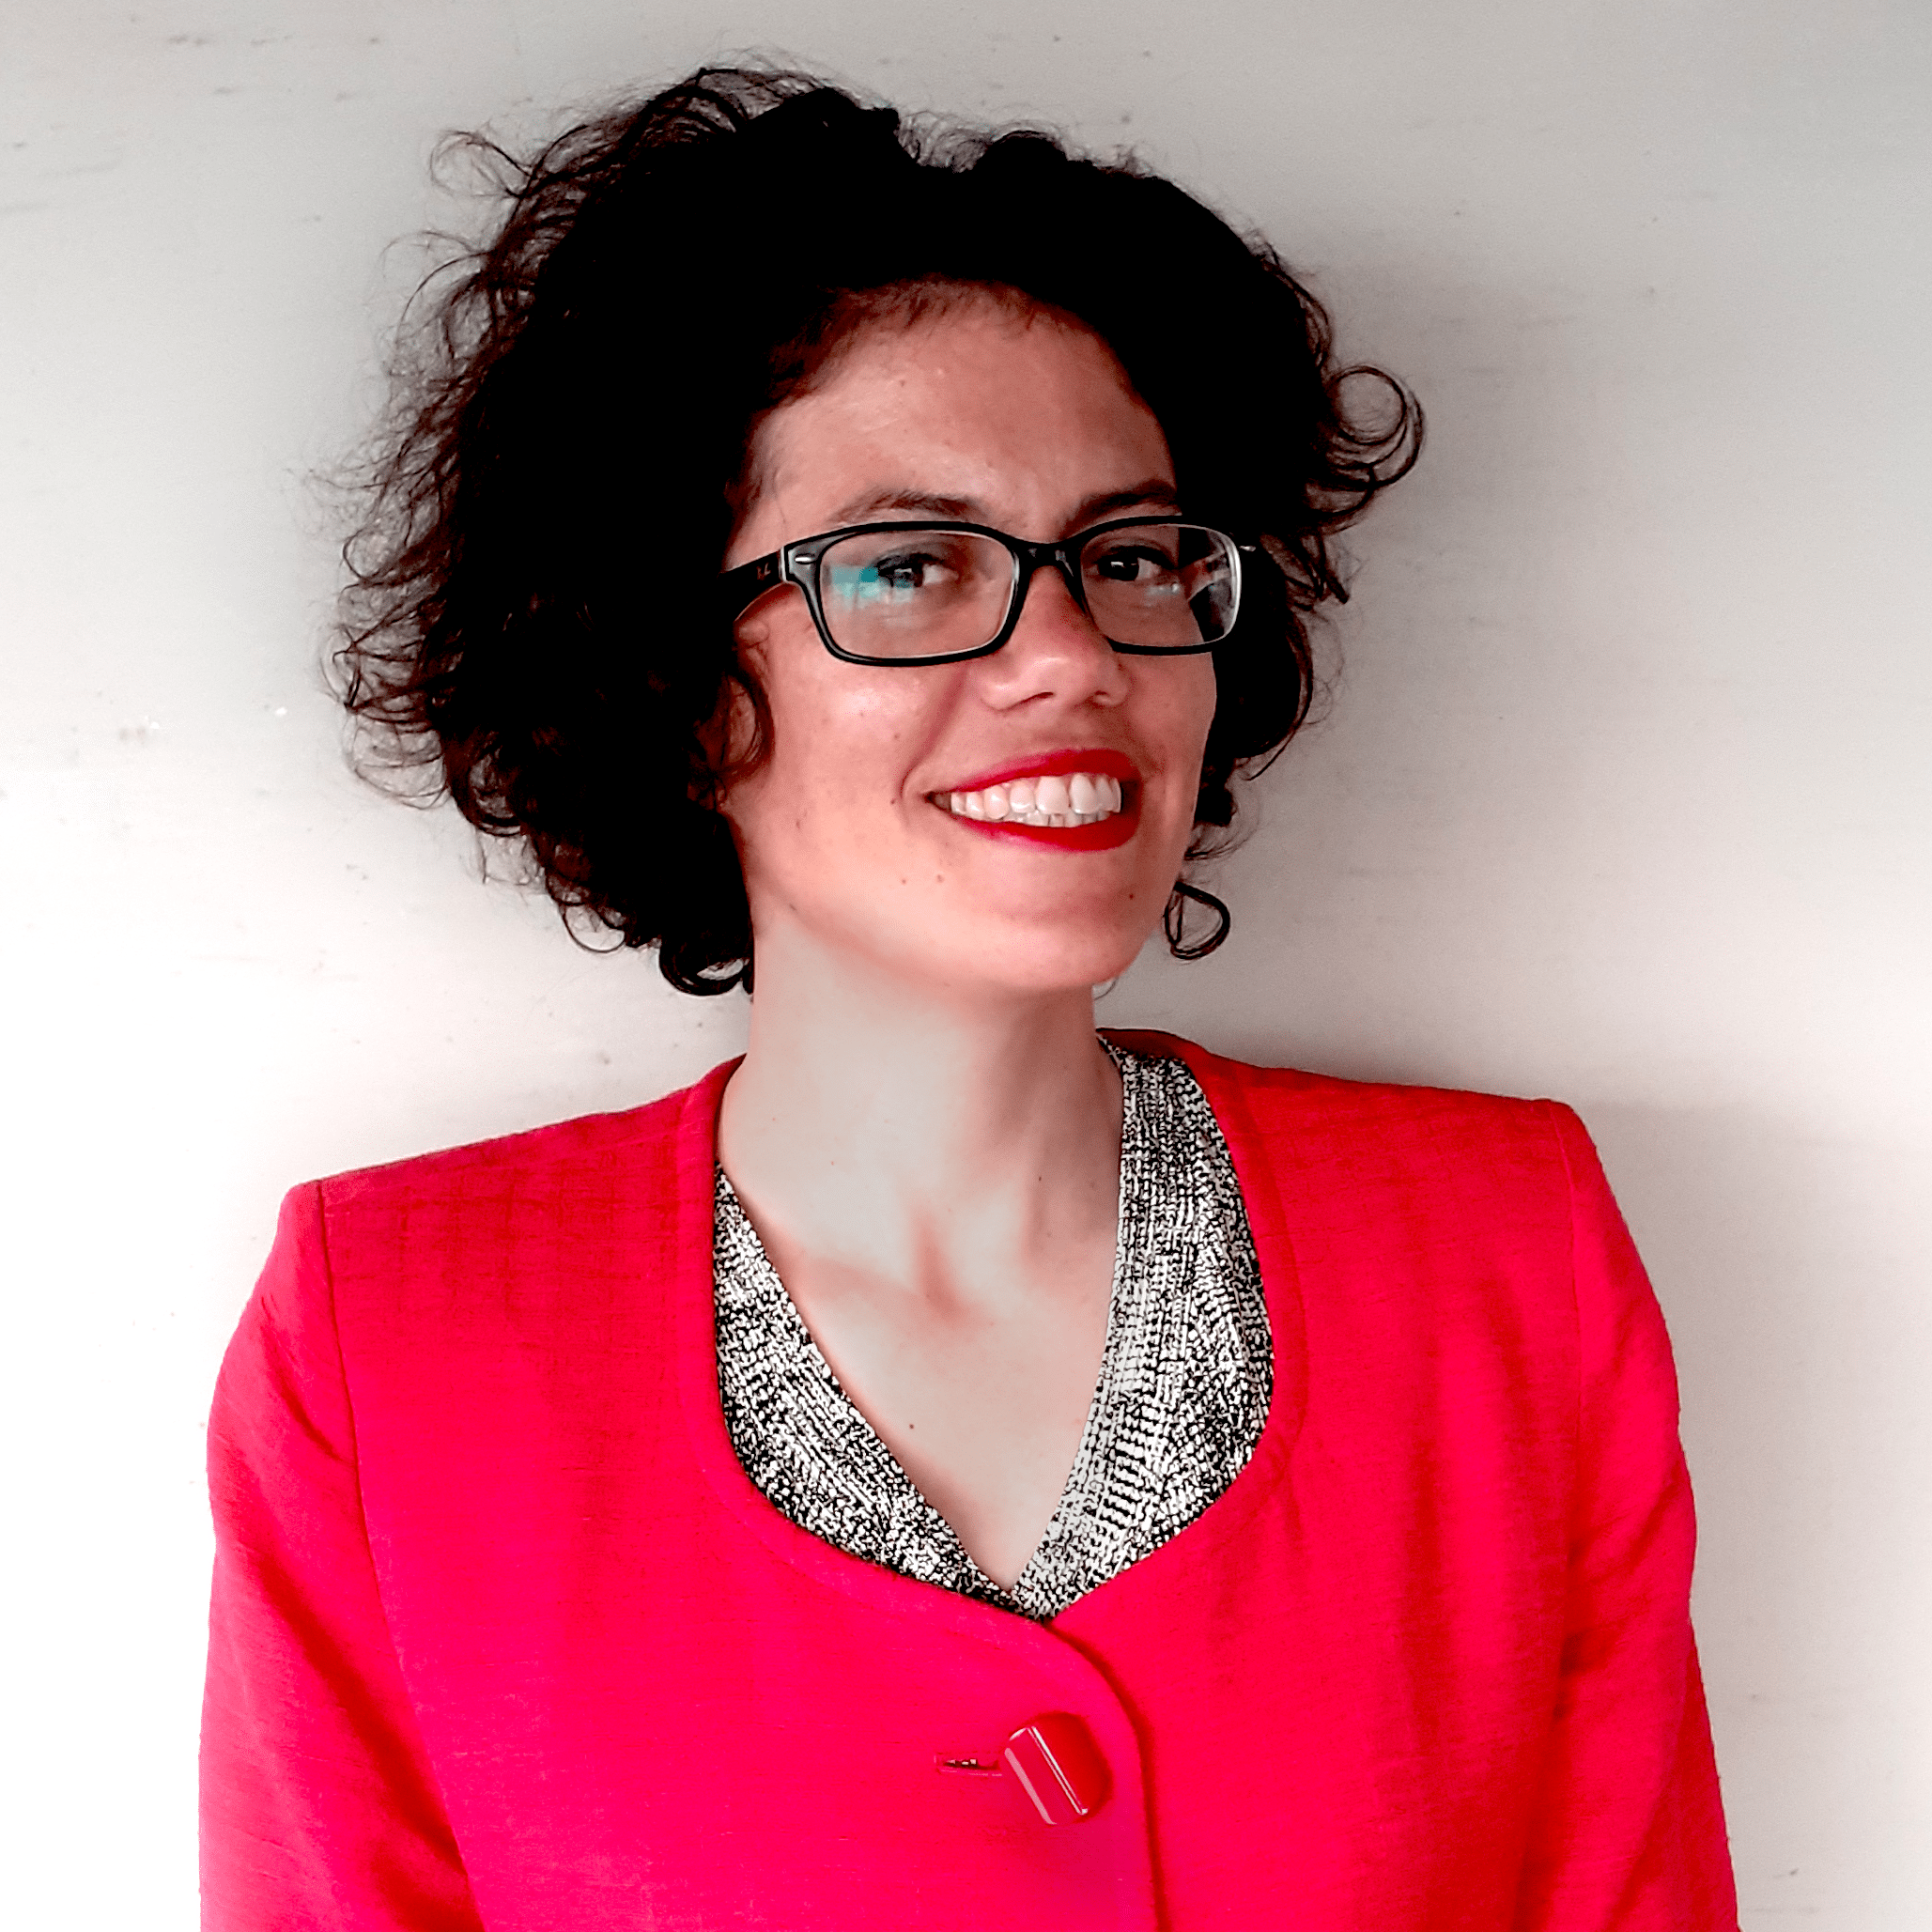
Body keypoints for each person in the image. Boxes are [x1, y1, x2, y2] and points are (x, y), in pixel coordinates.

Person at [200, 67, 1739, 1930]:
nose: (1071, 654)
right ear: (666, 675)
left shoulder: (1503, 1260)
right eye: (912, 565)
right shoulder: (390, 1343)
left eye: (1130, 555)